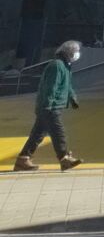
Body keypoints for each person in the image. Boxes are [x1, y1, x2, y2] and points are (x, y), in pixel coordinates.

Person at [13, 40, 83, 171]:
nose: (77, 54)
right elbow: (51, 87)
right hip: (50, 107)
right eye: (76, 51)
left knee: (37, 135)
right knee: (58, 133)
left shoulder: (65, 66)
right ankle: (64, 158)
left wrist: (72, 98)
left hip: (51, 106)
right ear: (69, 52)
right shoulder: (57, 65)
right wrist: (49, 105)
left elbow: (67, 86)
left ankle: (23, 159)